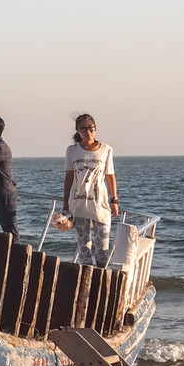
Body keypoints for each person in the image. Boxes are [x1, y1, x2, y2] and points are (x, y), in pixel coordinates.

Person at [62, 112, 120, 265]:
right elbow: (69, 177)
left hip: (100, 203)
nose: (88, 132)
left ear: (95, 129)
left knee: (102, 246)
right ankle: (86, 283)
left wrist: (114, 200)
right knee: (84, 247)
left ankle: (101, 280)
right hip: (78, 203)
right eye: (83, 129)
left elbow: (110, 175)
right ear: (78, 131)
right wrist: (65, 204)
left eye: (91, 128)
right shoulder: (72, 151)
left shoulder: (106, 150)